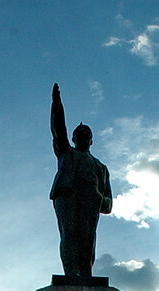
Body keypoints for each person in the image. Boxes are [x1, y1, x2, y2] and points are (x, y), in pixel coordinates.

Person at [49, 83, 112, 279]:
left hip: (90, 201)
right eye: (79, 134)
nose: (83, 137)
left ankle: (85, 273)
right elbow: (58, 129)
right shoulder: (66, 153)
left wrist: (99, 197)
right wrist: (57, 105)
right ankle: (72, 273)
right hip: (67, 195)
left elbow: (108, 204)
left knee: (87, 239)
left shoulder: (101, 168)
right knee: (69, 234)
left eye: (87, 135)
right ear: (74, 139)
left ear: (92, 140)